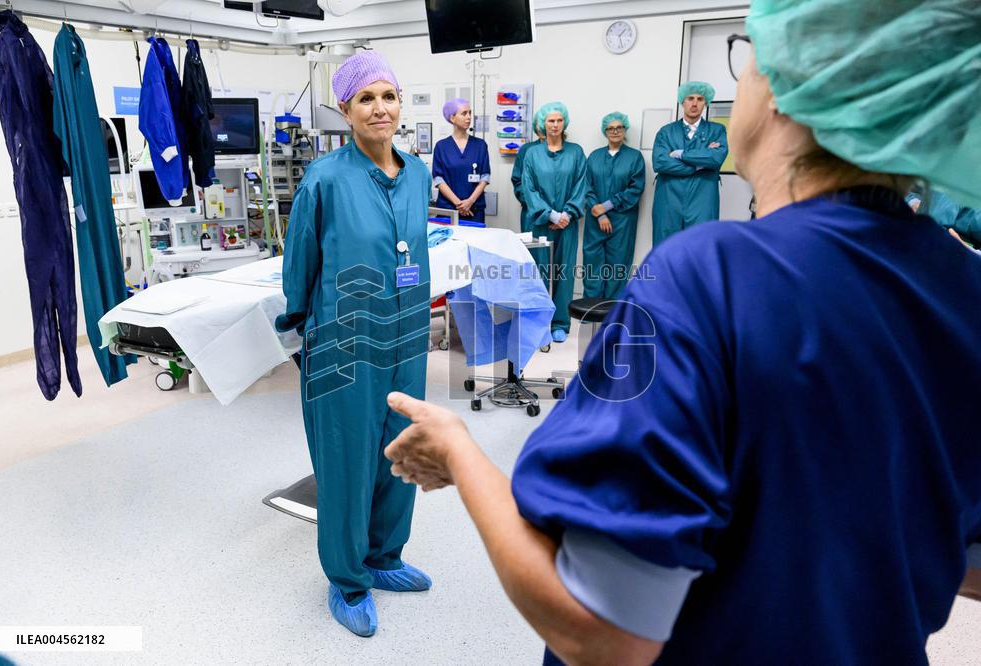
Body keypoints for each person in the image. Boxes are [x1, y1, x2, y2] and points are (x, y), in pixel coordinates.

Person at [382, 1, 981, 663]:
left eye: (748, 56)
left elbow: (601, 634)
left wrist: (460, 455)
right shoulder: (965, 289)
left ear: (788, 85)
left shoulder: (711, 279)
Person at [277, 51, 433, 638]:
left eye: (389, 96)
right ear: (345, 109)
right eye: (366, 98)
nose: (380, 108)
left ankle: (384, 556)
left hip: (407, 334)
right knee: (346, 458)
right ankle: (346, 579)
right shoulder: (325, 178)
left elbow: (415, 254)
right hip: (344, 339)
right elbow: (301, 265)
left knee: (402, 448)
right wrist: (299, 323)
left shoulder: (417, 174)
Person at [521, 102, 588, 343]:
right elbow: (528, 188)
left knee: (563, 271)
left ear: (565, 123)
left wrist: (567, 214)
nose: (555, 125)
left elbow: (582, 184)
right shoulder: (532, 154)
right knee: (539, 272)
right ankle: (539, 323)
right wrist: (550, 214)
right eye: (551, 120)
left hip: (567, 225)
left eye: (559, 120)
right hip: (541, 223)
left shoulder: (576, 152)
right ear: (543, 123)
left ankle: (560, 323)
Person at [651, 81, 728, 246]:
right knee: (666, 247)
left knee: (700, 245)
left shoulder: (717, 130)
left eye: (700, 99)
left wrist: (680, 154)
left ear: (705, 103)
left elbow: (716, 158)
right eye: (690, 98)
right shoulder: (666, 132)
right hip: (669, 199)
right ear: (682, 102)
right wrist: (700, 164)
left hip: (703, 198)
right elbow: (660, 162)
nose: (694, 103)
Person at [584, 112, 646, 299]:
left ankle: (612, 314)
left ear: (624, 130)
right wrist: (600, 213)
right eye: (610, 128)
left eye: (619, 127)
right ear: (605, 131)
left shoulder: (635, 158)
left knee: (618, 266)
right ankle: (590, 310)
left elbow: (635, 189)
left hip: (622, 220)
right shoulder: (594, 157)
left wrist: (608, 205)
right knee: (592, 264)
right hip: (595, 220)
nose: (615, 131)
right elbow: (586, 187)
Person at [432, 98, 491, 226]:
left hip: (474, 210)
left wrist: (470, 202)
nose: (469, 117)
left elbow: (485, 177)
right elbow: (438, 179)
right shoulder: (441, 147)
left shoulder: (480, 145)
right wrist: (459, 204)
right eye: (464, 113)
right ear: (452, 118)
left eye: (470, 113)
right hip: (448, 210)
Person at [511, 117, 544, 233]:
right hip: (532, 211)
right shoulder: (527, 150)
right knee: (531, 249)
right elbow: (518, 180)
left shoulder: (568, 152)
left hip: (559, 215)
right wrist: (533, 202)